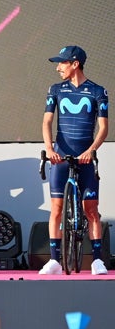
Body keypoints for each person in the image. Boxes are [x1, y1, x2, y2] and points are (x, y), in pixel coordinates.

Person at [39, 45, 109, 275]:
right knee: (56, 208)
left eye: (62, 63)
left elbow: (103, 128)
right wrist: (49, 149)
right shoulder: (56, 90)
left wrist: (91, 150)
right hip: (61, 156)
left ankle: (97, 260)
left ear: (75, 64)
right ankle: (54, 260)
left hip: (86, 157)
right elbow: (47, 121)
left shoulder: (98, 91)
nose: (58, 67)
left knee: (91, 210)